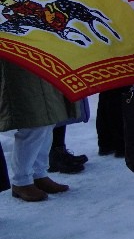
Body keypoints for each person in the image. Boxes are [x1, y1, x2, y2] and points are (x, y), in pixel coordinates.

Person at [0, 60, 79, 201]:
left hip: (40, 65)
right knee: (33, 124)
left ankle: (39, 174)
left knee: (48, 121)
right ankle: (21, 181)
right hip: (18, 66)